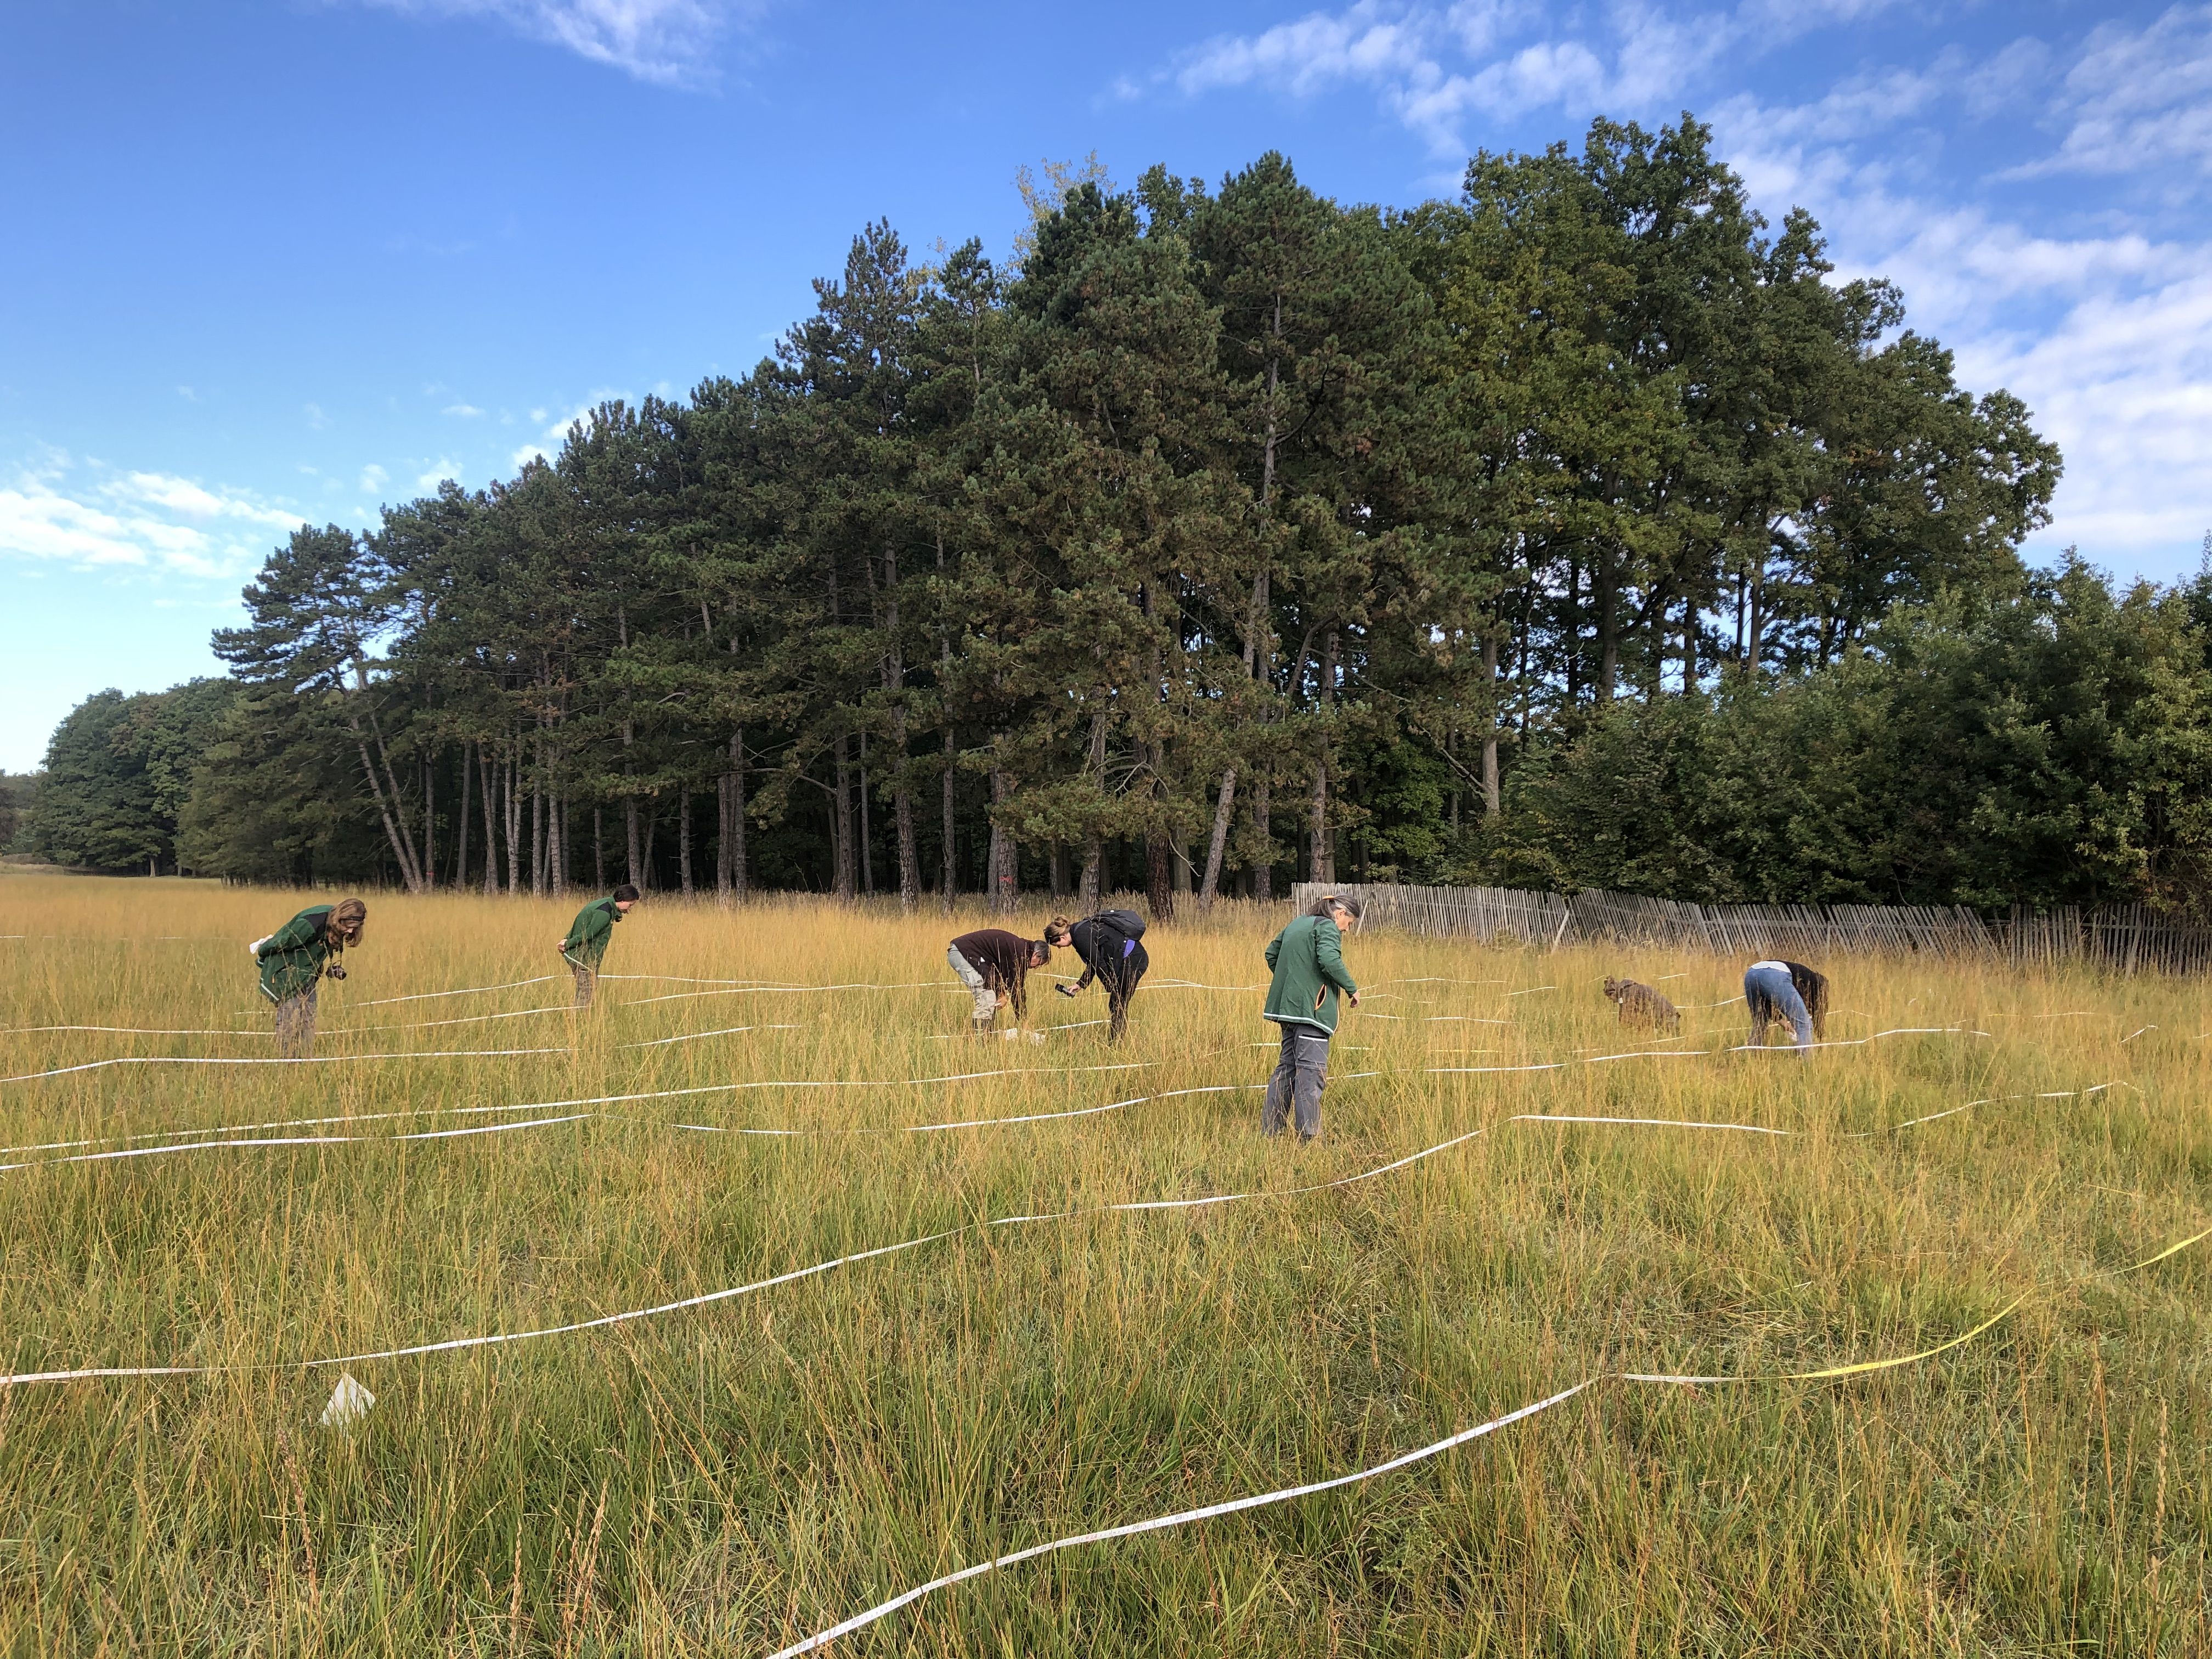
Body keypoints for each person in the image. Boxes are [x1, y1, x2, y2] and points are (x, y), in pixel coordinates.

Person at [1260, 894, 1362, 1141]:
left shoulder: (1298, 922)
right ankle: (1309, 1137)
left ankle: (1271, 1131)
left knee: (1287, 1068)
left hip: (1288, 1010)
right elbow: (1329, 959)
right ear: (1340, 914)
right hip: (1311, 1013)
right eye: (1349, 924)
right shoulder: (1327, 926)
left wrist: (1295, 981)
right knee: (1311, 1072)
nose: (1347, 930)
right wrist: (1352, 988)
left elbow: (1271, 953)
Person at [250, 898, 366, 1058]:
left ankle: (305, 1061)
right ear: (341, 918)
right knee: (289, 1020)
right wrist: (262, 952)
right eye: (349, 927)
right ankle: (286, 1063)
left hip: (308, 974)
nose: (351, 932)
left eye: (355, 928)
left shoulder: (336, 926)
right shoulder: (311, 924)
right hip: (287, 972)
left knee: (308, 1019)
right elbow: (282, 942)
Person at [1047, 909, 1150, 1042]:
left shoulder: (1080, 935)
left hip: (1133, 959)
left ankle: (1116, 1043)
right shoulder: (1080, 930)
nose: (1060, 948)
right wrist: (1080, 984)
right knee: (1117, 1003)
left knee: (1118, 1003)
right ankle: (1116, 1041)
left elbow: (1098, 963)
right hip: (1130, 959)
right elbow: (1094, 962)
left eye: (1058, 945)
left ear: (1062, 937)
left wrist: (1110, 984)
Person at [948, 924, 1053, 1035]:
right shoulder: (1020, 954)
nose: (1035, 967)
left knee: (992, 995)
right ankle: (980, 1040)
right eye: (1039, 964)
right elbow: (1017, 990)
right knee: (986, 996)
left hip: (973, 956)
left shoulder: (1019, 949)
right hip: (964, 954)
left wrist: (1001, 993)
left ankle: (987, 1035)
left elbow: (994, 973)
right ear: (1036, 955)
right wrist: (1024, 1021)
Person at [560, 884, 640, 1007]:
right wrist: (568, 943)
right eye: (630, 905)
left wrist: (566, 939)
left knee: (589, 990)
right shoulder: (604, 913)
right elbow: (589, 933)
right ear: (623, 900)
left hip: (585, 957)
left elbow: (583, 925)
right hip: (584, 958)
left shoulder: (605, 905)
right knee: (585, 995)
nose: (629, 909)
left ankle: (582, 1019)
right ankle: (578, 1021)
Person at [1744, 958, 1820, 1054]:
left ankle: (1752, 1057)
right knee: (1803, 1023)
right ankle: (1806, 1062)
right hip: (1776, 974)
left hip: (1751, 973)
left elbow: (1766, 1008)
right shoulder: (1813, 983)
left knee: (1760, 1021)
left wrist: (1783, 1022)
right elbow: (1808, 1010)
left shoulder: (1802, 974)